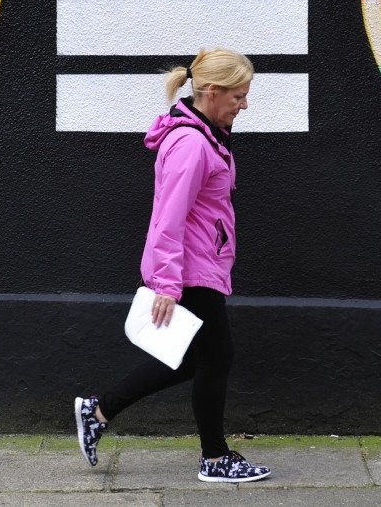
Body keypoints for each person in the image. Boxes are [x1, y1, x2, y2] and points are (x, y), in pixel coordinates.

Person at [74, 48, 271, 483]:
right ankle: (215, 459)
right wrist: (167, 284)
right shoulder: (191, 144)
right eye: (239, 96)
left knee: (194, 359)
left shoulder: (206, 135)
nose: (244, 105)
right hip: (192, 268)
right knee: (216, 358)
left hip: (203, 260)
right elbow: (168, 216)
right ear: (213, 92)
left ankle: (100, 411)